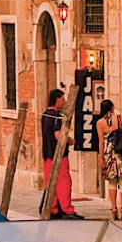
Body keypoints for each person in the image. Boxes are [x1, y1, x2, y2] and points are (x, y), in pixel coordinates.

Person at [41, 87, 79, 218]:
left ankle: (53, 209)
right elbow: (58, 135)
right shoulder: (57, 116)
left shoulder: (45, 114)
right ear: (56, 100)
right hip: (59, 155)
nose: (64, 102)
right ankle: (67, 210)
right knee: (64, 182)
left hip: (46, 154)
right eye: (62, 99)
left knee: (50, 181)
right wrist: (70, 140)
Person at [97, 97, 122, 220]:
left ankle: (113, 208)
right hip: (121, 152)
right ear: (112, 107)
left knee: (112, 181)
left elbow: (101, 141)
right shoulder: (120, 118)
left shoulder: (100, 122)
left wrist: (101, 158)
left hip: (109, 153)